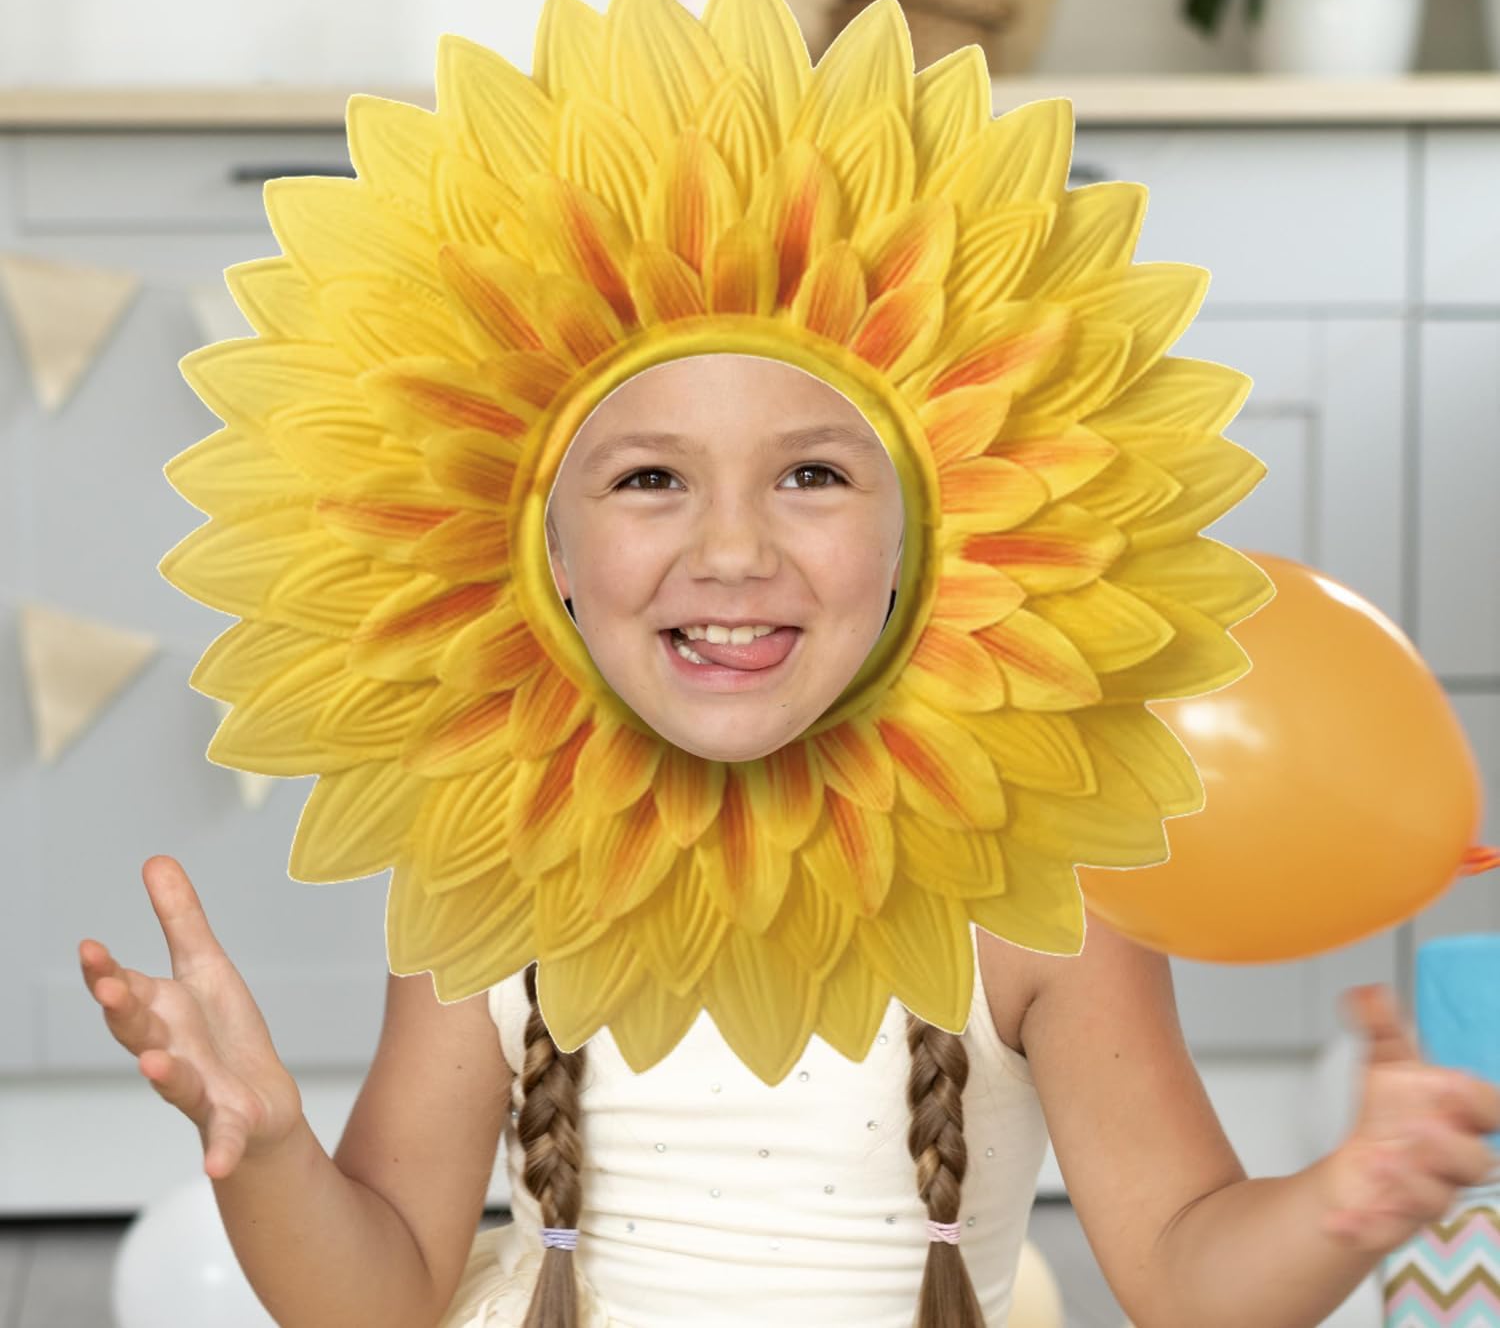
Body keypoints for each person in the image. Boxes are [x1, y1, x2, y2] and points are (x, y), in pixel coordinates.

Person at [80, 352, 1500, 1328]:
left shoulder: (1035, 892)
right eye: (651, 479)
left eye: (812, 474)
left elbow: (1190, 1278)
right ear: (547, 553)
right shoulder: (499, 867)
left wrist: (1350, 1196)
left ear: (922, 532)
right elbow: (377, 1298)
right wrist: (267, 1149)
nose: (734, 550)